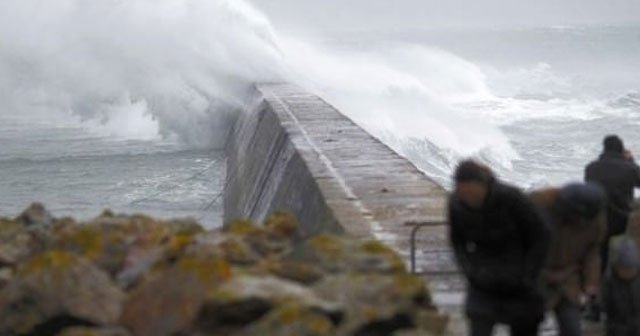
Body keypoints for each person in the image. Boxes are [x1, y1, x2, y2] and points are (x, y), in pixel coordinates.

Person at [448, 160, 550, 336]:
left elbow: (541, 236)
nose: (469, 199)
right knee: (479, 326)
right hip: (483, 282)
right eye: (463, 193)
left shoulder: (511, 198)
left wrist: (529, 274)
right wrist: (470, 271)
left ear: (483, 185)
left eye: (472, 193)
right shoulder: (457, 204)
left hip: (519, 281)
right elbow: (458, 242)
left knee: (525, 326)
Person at [530, 183, 606, 336]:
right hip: (534, 277)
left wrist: (591, 283)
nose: (581, 223)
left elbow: (592, 253)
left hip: (568, 279)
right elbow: (516, 247)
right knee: (527, 325)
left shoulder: (594, 219)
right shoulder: (536, 210)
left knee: (572, 328)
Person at [585, 135, 640, 273]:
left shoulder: (591, 168)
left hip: (598, 219)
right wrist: (631, 161)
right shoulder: (629, 168)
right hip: (621, 221)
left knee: (601, 256)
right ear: (621, 150)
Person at [603, 236, 640, 336]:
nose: (630, 273)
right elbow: (605, 306)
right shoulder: (609, 281)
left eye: (632, 269)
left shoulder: (637, 281)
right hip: (617, 327)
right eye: (626, 269)